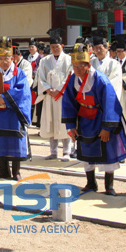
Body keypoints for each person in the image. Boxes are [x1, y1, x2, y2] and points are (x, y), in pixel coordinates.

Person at [63, 43, 126, 195]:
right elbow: (68, 102)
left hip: (100, 117)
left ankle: (109, 186)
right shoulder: (73, 79)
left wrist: (107, 128)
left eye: (80, 66)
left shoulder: (100, 79)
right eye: (74, 66)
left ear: (87, 65)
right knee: (86, 150)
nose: (77, 69)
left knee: (107, 151)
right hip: (84, 119)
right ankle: (91, 183)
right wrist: (71, 126)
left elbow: (110, 102)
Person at [0, 36, 32, 181]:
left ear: (12, 58)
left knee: (14, 140)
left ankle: (16, 171)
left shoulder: (19, 73)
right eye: (1, 58)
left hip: (12, 113)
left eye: (6, 58)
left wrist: (6, 98)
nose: (3, 61)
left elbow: (22, 91)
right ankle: (3, 169)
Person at [37, 28, 73, 161]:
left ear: (62, 46)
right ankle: (53, 151)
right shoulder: (44, 61)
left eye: (57, 47)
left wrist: (59, 90)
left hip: (63, 96)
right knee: (51, 121)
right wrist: (48, 90)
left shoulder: (69, 60)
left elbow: (70, 76)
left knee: (64, 123)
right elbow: (40, 78)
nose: (55, 49)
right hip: (50, 96)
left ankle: (67, 151)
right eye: (52, 47)